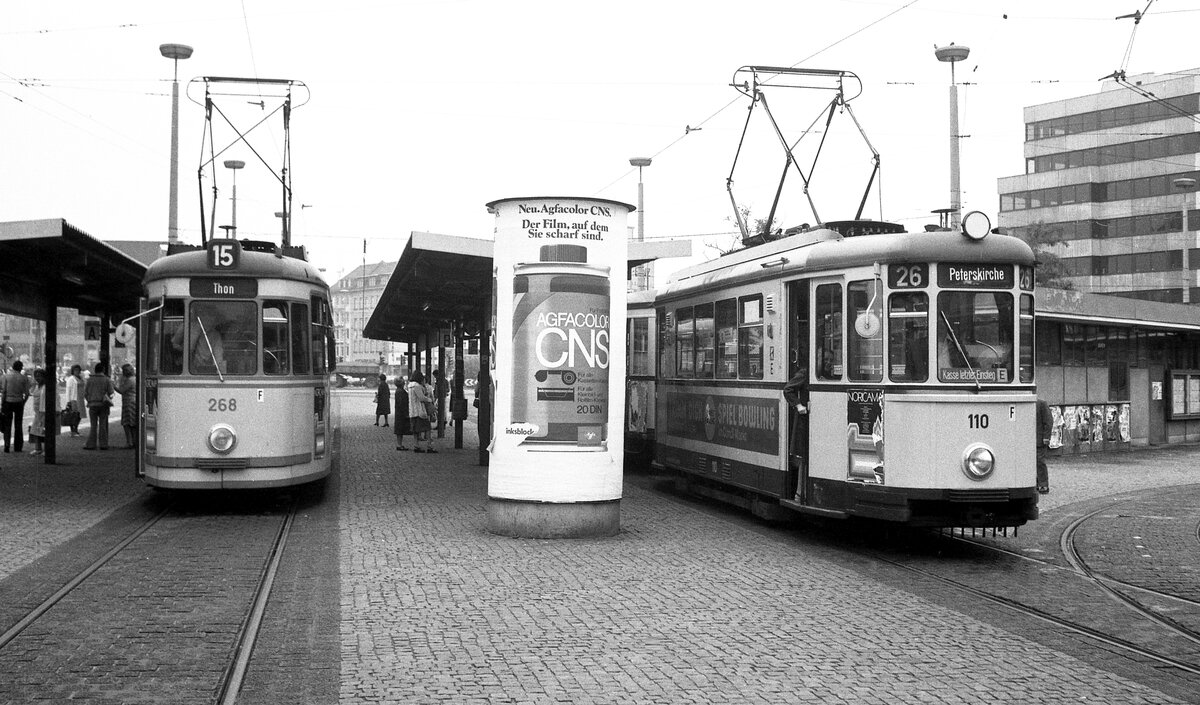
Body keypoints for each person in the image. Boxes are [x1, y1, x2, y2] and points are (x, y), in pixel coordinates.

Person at [782, 365, 810, 500]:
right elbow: (788, 389)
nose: (828, 362)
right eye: (826, 359)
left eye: (830, 359)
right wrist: (798, 405)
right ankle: (799, 493)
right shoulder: (805, 372)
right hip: (805, 421)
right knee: (803, 456)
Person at [83, 361, 116, 451]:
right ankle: (103, 444)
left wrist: (89, 400)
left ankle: (91, 444)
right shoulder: (106, 379)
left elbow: (85, 393)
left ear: (95, 370)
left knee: (93, 425)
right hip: (103, 405)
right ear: (103, 370)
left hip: (92, 404)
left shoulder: (90, 380)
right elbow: (111, 393)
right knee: (102, 425)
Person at [1, 360, 32, 453]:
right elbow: (27, 393)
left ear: (13, 367)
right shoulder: (24, 378)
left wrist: (2, 404)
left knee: (7, 424)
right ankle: (18, 446)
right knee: (18, 425)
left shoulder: (6, 376)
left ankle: (7, 444)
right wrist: (23, 402)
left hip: (8, 401)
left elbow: (4, 392)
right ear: (21, 368)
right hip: (19, 401)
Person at [407, 371, 436, 453]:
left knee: (415, 430)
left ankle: (416, 445)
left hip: (412, 411)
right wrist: (429, 399)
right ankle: (430, 446)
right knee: (427, 428)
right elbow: (422, 398)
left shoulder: (409, 386)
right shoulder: (417, 386)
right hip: (420, 411)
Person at [116, 363, 138, 449]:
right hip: (134, 401)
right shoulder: (135, 379)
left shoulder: (130, 380)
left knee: (127, 423)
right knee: (133, 423)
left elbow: (121, 390)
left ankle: (129, 442)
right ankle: (134, 441)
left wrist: (113, 386)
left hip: (129, 403)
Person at [28, 368, 47, 455]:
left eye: (39, 376)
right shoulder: (36, 386)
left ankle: (46, 449)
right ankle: (38, 448)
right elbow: (31, 392)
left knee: (44, 431)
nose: (37, 378)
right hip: (37, 412)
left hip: (44, 411)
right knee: (35, 430)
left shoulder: (45, 387)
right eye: (36, 376)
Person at [64, 364, 85, 436]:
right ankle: (73, 431)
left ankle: (76, 429)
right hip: (74, 399)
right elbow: (68, 390)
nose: (77, 371)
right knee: (73, 415)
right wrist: (68, 401)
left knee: (79, 415)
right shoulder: (71, 379)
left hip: (80, 399)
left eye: (78, 370)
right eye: (75, 370)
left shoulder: (81, 378)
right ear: (73, 371)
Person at [1036, 398, 1051, 494]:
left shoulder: (1041, 404)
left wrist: (1046, 437)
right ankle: (1035, 483)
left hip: (1039, 440)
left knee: (1040, 462)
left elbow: (1048, 421)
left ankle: (1043, 484)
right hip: (1028, 440)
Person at [393, 376, 411, 450]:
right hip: (401, 413)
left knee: (399, 429)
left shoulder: (398, 390)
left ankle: (399, 444)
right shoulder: (401, 391)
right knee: (400, 429)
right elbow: (401, 403)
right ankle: (399, 445)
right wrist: (406, 413)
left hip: (399, 412)